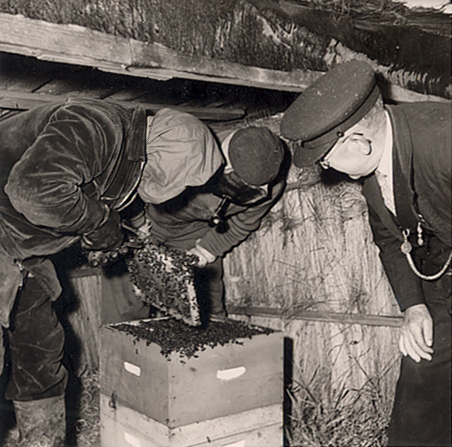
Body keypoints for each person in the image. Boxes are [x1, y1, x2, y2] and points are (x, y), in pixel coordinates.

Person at [0, 98, 225, 446]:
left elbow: (69, 204)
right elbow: (32, 191)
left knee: (40, 356)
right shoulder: (95, 124)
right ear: (165, 155)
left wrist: (96, 239)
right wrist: (99, 222)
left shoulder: (126, 157)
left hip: (25, 254)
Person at [280, 61, 451, 446]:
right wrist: (414, 306)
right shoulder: (374, 165)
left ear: (358, 142)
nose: (326, 167)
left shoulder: (444, 139)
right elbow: (389, 240)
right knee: (420, 379)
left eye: (325, 159)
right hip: (439, 278)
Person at [137, 108, 287, 320]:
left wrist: (204, 253)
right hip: (148, 220)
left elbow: (241, 224)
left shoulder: (272, 185)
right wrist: (136, 225)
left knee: (207, 312)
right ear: (225, 167)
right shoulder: (187, 149)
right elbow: (134, 179)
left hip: (196, 231)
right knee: (129, 303)